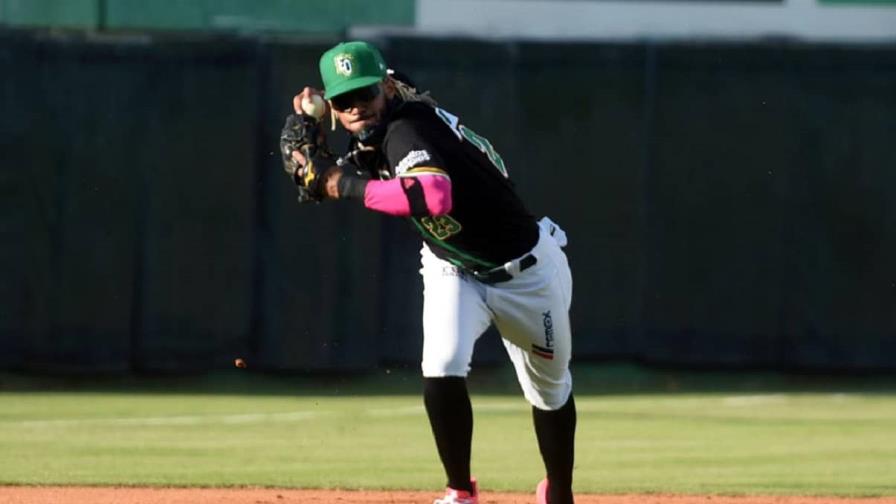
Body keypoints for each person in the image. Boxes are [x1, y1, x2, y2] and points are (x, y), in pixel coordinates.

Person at [280, 41, 577, 504]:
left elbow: (434, 197)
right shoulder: (384, 119)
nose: (356, 107)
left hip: (526, 274)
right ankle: (460, 491)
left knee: (549, 391)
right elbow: (369, 122)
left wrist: (340, 183)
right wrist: (316, 124)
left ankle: (558, 490)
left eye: (364, 93)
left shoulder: (406, 130)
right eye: (343, 100)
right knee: (441, 364)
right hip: (451, 265)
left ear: (385, 88)